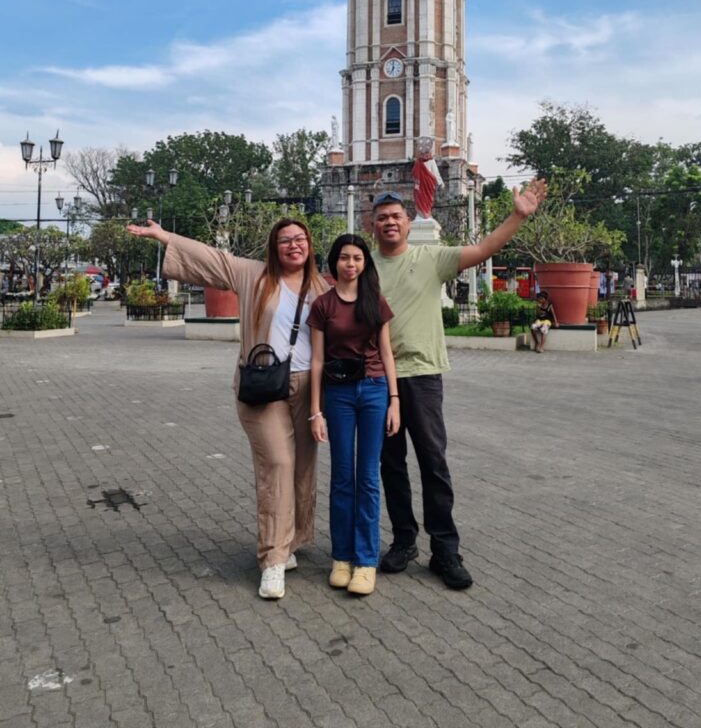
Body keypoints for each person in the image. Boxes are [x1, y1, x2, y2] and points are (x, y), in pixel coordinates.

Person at [126, 216, 328, 601]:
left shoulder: (322, 287)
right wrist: (164, 235)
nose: (293, 245)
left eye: (300, 239)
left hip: (308, 390)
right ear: (274, 246)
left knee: (302, 467)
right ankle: (272, 559)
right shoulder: (254, 275)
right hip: (262, 386)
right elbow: (211, 258)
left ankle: (289, 543)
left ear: (309, 245)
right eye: (285, 240)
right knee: (279, 465)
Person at [370, 177, 547, 589]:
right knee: (390, 465)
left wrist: (517, 216)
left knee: (433, 463)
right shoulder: (364, 266)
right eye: (382, 218)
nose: (390, 223)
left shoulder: (432, 257)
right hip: (379, 379)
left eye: (396, 216)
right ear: (372, 225)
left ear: (408, 221)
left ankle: (445, 550)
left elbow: (484, 249)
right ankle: (403, 540)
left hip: (424, 376)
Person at [307, 234, 400, 596]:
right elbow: (316, 360)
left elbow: (388, 354)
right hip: (339, 395)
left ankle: (365, 561)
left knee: (368, 479)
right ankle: (342, 557)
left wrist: (395, 399)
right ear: (335, 263)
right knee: (343, 477)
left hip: (375, 391)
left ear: (365, 264)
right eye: (345, 258)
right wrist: (316, 411)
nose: (351, 264)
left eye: (357, 258)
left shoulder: (375, 302)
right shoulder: (323, 305)